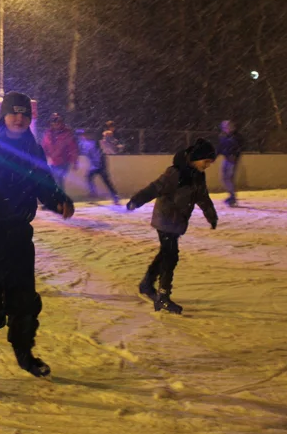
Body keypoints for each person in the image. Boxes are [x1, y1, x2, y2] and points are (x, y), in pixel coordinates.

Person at [0, 92, 75, 391]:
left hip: (19, 235)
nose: (19, 118)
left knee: (24, 300)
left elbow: (42, 182)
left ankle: (24, 353)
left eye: (24, 114)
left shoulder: (32, 147)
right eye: (13, 113)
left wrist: (58, 199)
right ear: (4, 114)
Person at [126, 138, 219, 314]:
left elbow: (202, 197)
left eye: (210, 163)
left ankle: (147, 283)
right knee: (171, 256)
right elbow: (154, 188)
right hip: (165, 219)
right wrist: (136, 201)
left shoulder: (198, 176)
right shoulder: (175, 173)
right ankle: (163, 296)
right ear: (196, 158)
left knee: (165, 254)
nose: (207, 165)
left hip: (178, 221)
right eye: (206, 161)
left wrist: (211, 215)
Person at [83, 122, 121, 204]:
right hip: (98, 163)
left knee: (103, 180)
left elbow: (102, 149)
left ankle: (113, 196)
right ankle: (113, 196)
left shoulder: (99, 139)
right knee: (93, 178)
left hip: (100, 163)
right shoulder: (95, 141)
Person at [40, 113, 79, 192]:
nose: (56, 124)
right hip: (53, 161)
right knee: (54, 180)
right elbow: (44, 146)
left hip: (64, 161)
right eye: (54, 121)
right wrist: (42, 156)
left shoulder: (67, 133)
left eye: (58, 121)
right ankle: (58, 199)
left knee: (58, 180)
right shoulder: (48, 133)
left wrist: (75, 161)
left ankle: (59, 200)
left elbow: (73, 148)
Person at [217, 120, 245, 207]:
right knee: (224, 178)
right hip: (226, 159)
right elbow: (220, 148)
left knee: (228, 178)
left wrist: (235, 156)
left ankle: (232, 197)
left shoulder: (237, 136)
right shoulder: (223, 136)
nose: (226, 128)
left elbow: (240, 147)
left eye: (227, 126)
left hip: (232, 160)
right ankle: (231, 196)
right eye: (224, 127)